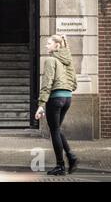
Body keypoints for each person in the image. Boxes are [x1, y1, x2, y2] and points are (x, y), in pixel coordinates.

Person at [35, 34, 78, 176]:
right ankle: (71, 157)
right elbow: (74, 83)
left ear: (57, 45)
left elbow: (47, 83)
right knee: (57, 129)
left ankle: (60, 166)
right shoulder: (69, 60)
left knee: (54, 131)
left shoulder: (50, 60)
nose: (46, 46)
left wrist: (41, 104)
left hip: (55, 98)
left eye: (49, 43)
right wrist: (66, 89)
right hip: (67, 98)